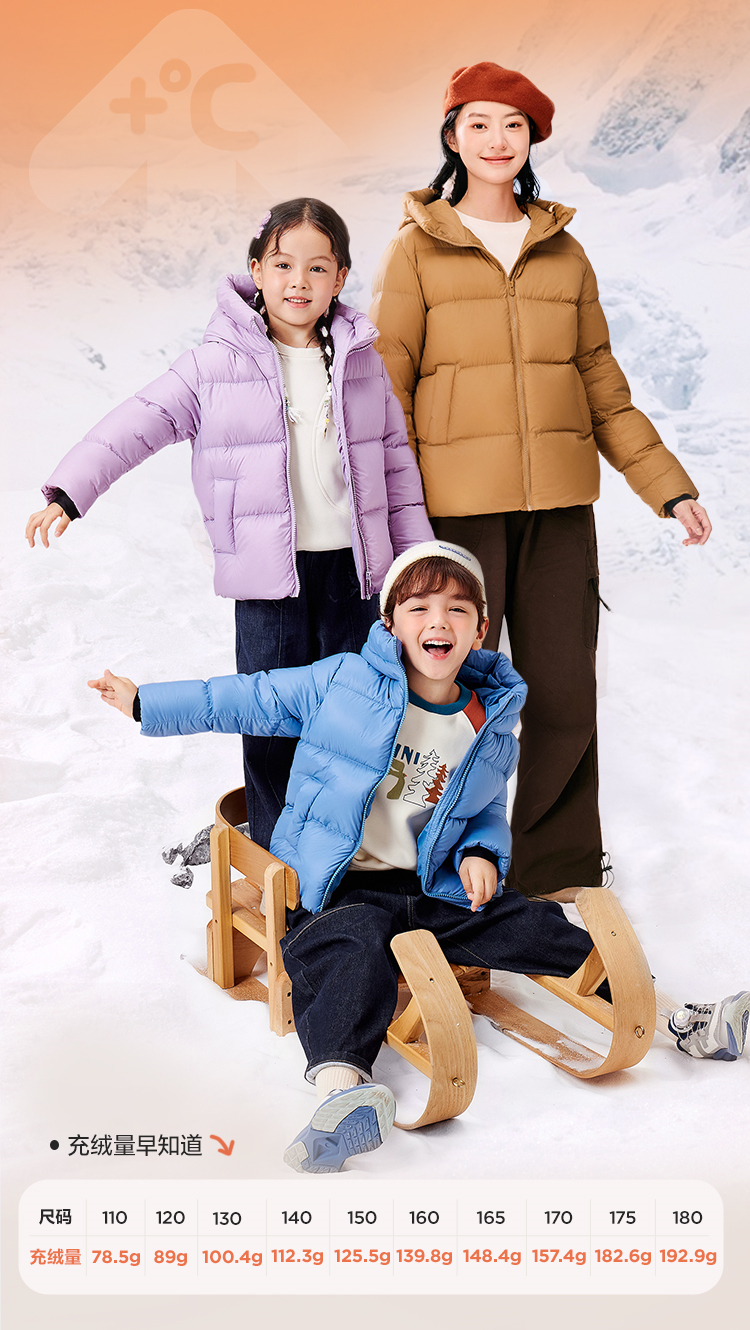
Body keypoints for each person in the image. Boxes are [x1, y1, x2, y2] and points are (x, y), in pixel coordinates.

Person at [88, 542, 748, 1175]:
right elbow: (246, 697)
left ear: (481, 630)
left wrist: (482, 852)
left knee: (533, 925)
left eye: (458, 609)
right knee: (350, 953)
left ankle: (679, 1019)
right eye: (420, 608)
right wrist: (144, 701)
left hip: (431, 888)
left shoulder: (488, 721)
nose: (439, 622)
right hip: (337, 888)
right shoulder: (342, 682)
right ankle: (342, 1094)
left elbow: (484, 809)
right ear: (392, 624)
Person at [369, 63, 712, 903]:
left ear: (532, 141)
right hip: (456, 517)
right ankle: (434, 862)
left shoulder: (565, 252)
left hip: (559, 511)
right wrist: (397, 513)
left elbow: (600, 382)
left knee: (563, 693)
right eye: (480, 124)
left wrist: (667, 486)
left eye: (514, 126)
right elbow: (387, 385)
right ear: (453, 137)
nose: (497, 141)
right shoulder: (416, 248)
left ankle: (554, 871)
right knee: (447, 698)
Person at [26, 198, 433, 849]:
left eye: (317, 268)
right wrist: (71, 491)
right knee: (270, 720)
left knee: (353, 720)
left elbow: (396, 471)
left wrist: (419, 572)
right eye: (283, 264)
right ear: (256, 270)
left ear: (339, 278)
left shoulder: (361, 363)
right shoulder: (214, 364)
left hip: (356, 576)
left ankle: (348, 860)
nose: (298, 281)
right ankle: (280, 863)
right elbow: (137, 422)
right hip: (269, 580)